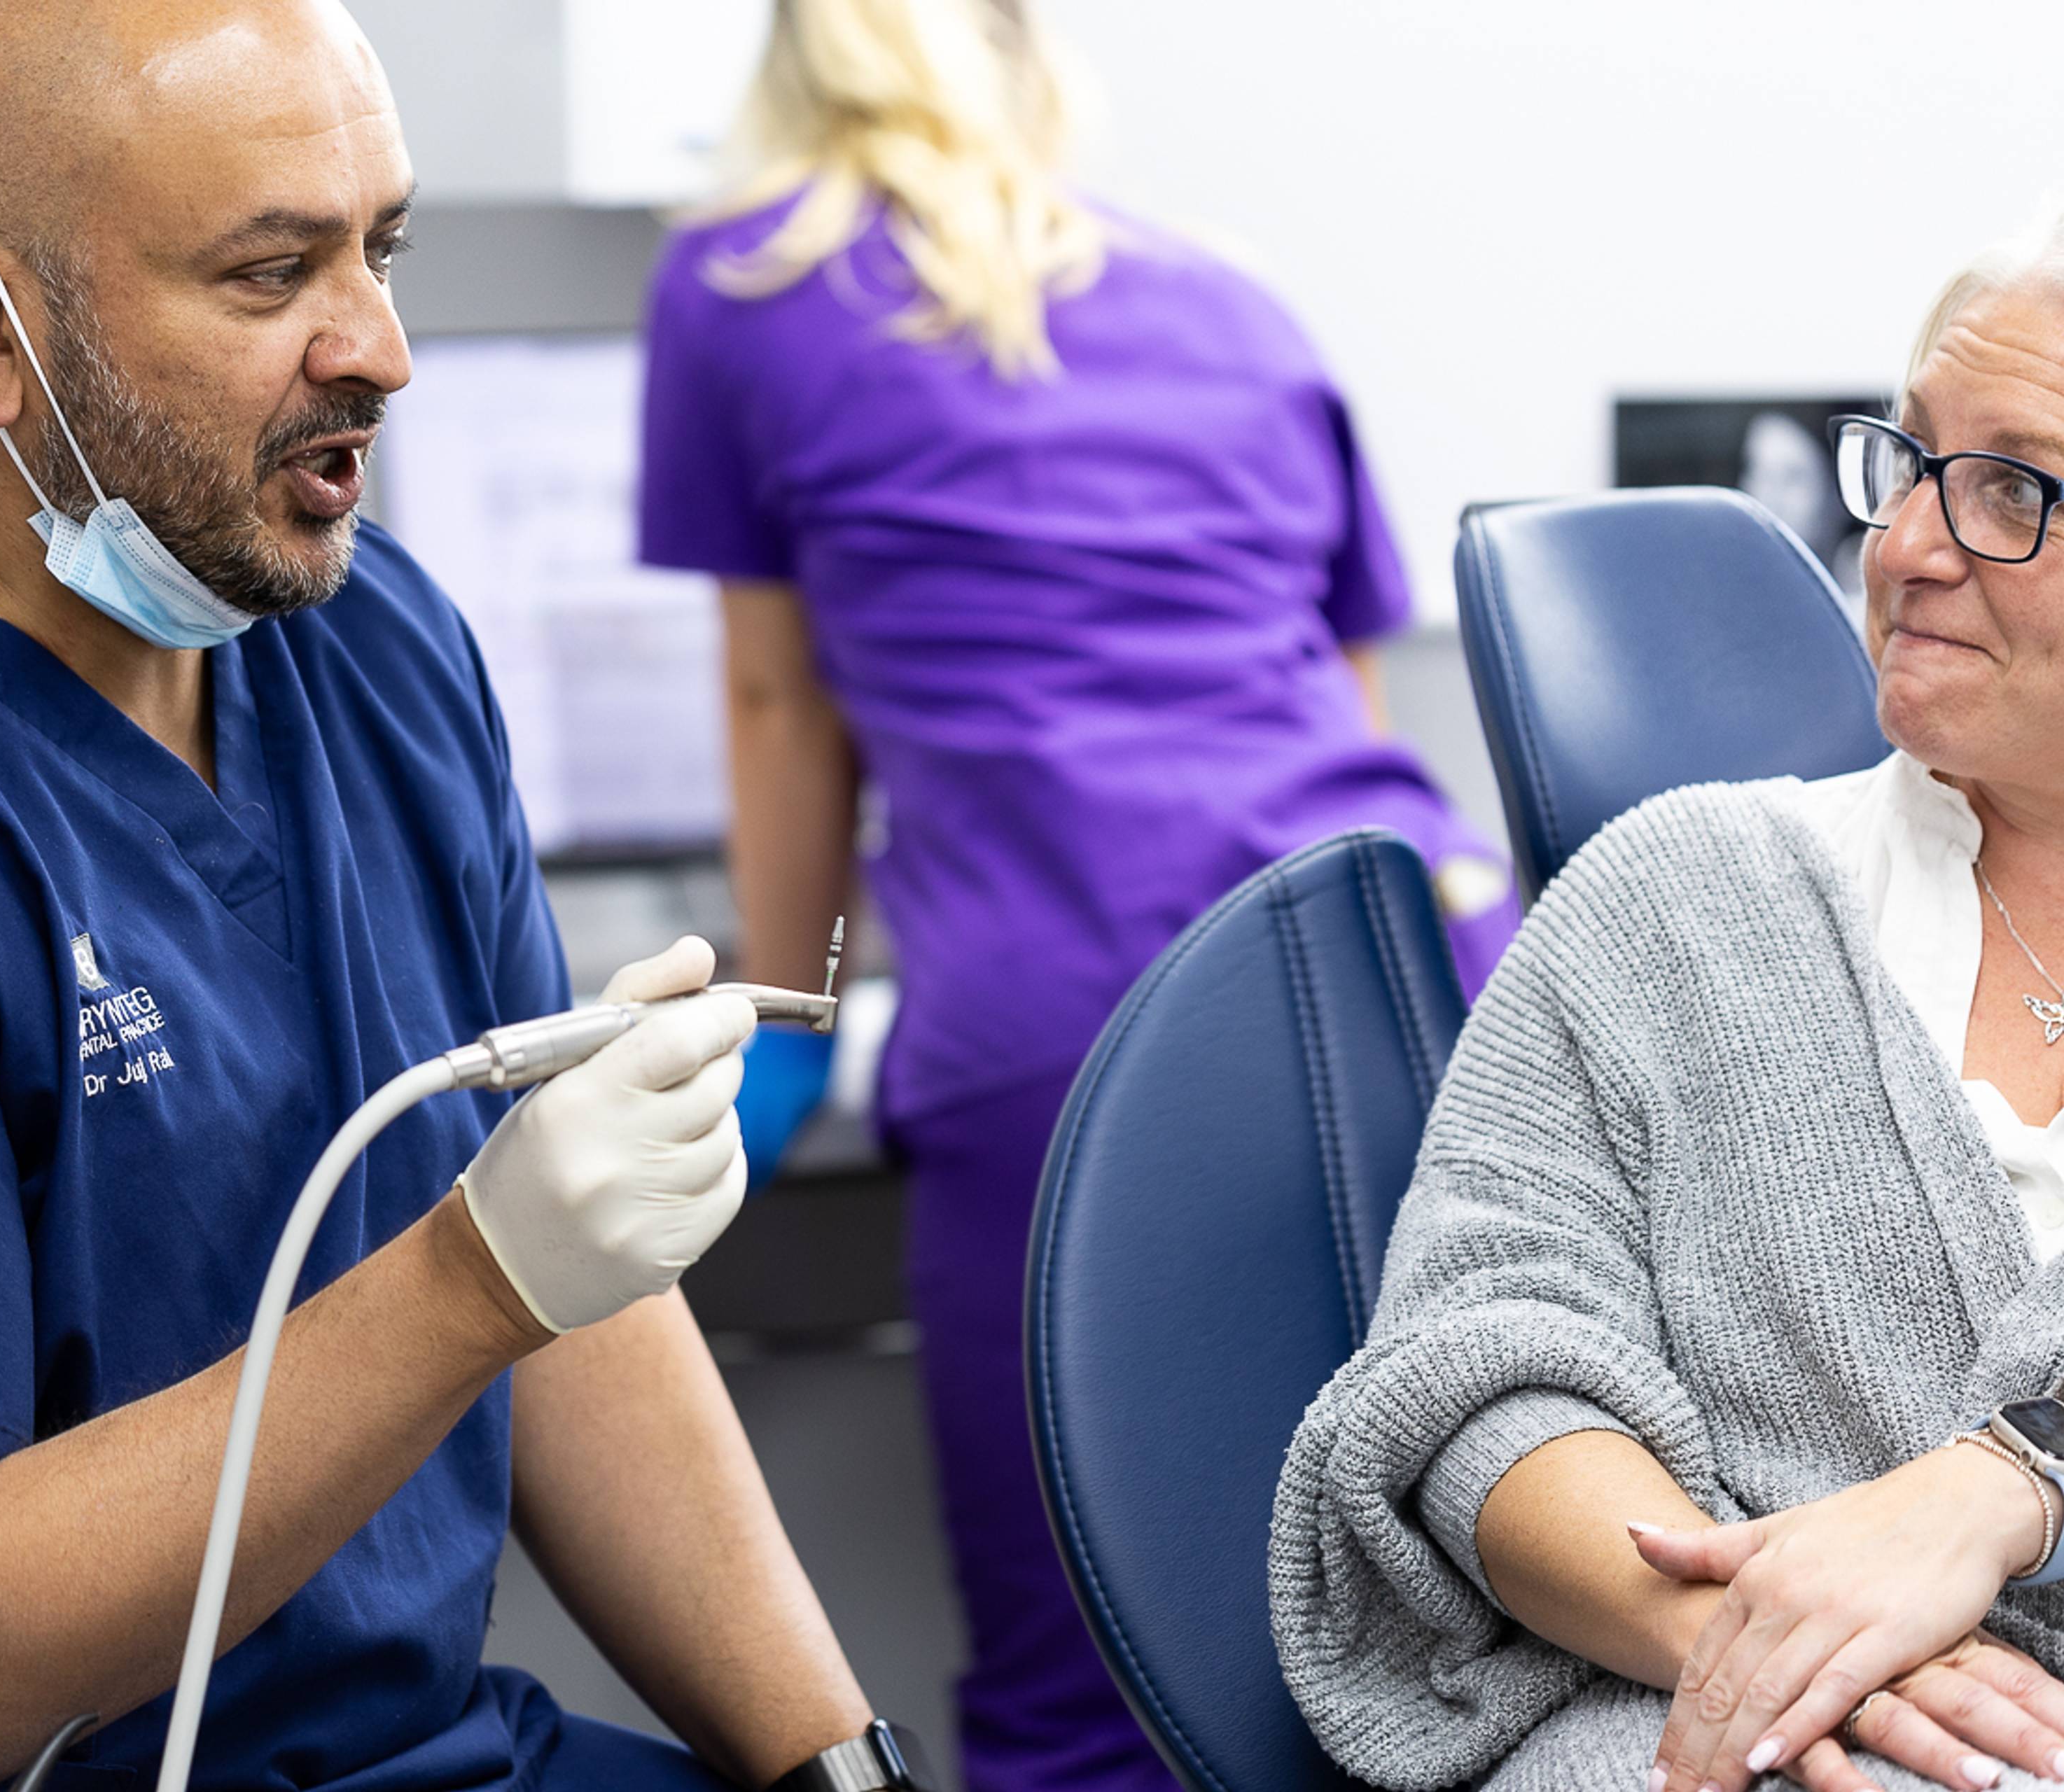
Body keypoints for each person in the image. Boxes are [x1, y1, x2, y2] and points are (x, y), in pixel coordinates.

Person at [0, 6, 933, 1791]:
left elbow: (579, 1301)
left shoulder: (371, 641)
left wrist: (838, 1769)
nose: (381, 349)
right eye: (272, 273)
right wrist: (471, 1277)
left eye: (383, 248)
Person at [634, 2, 1519, 1787]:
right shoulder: (1228, 297)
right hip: (1416, 977)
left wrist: (791, 1006)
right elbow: (1344, 694)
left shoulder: (741, 285)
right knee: (1465, 1655)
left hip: (1089, 1040)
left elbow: (781, 702)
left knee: (1095, 1703)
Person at [1271, 187, 2064, 1792]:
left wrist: (1994, 1493)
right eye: (1911, 463)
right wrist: (1790, 1643)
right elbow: (1477, 1369)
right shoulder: (1677, 901)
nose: (1906, 545)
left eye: (2010, 487)